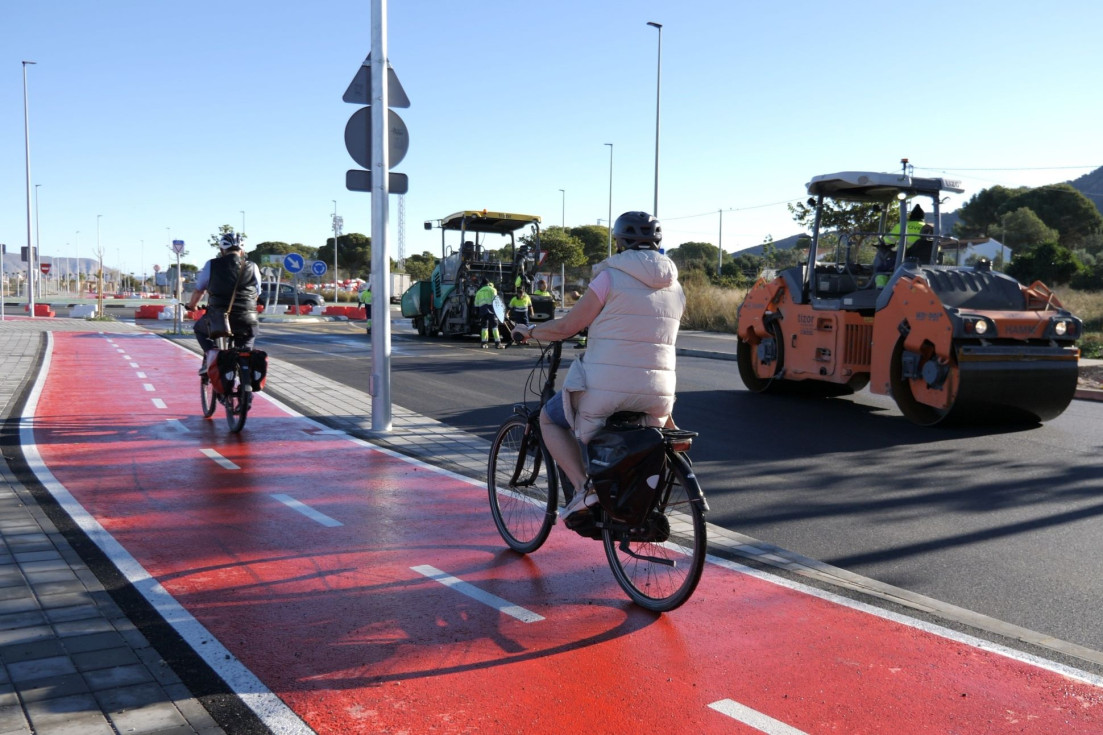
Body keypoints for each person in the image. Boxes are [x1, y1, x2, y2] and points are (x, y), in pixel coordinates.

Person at [513, 211, 685, 526]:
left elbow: (568, 325)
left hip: (606, 389)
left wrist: (531, 331)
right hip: (658, 394)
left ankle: (584, 489)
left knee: (549, 419)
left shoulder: (609, 276)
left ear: (619, 241)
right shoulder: (676, 286)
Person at [186, 233, 262, 373]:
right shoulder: (253, 266)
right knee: (246, 346)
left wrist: (192, 305)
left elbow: (199, 290)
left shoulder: (212, 265)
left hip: (219, 318)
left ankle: (212, 355)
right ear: (242, 251)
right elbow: (257, 293)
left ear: (222, 250)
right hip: (248, 318)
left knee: (199, 329)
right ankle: (247, 382)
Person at [474, 277, 504, 349]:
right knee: (494, 327)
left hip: (483, 311)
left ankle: (484, 343)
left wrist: (477, 313)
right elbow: (496, 301)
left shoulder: (478, 292)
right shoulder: (493, 290)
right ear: (488, 283)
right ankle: (497, 343)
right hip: (491, 311)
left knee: (484, 327)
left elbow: (476, 304)